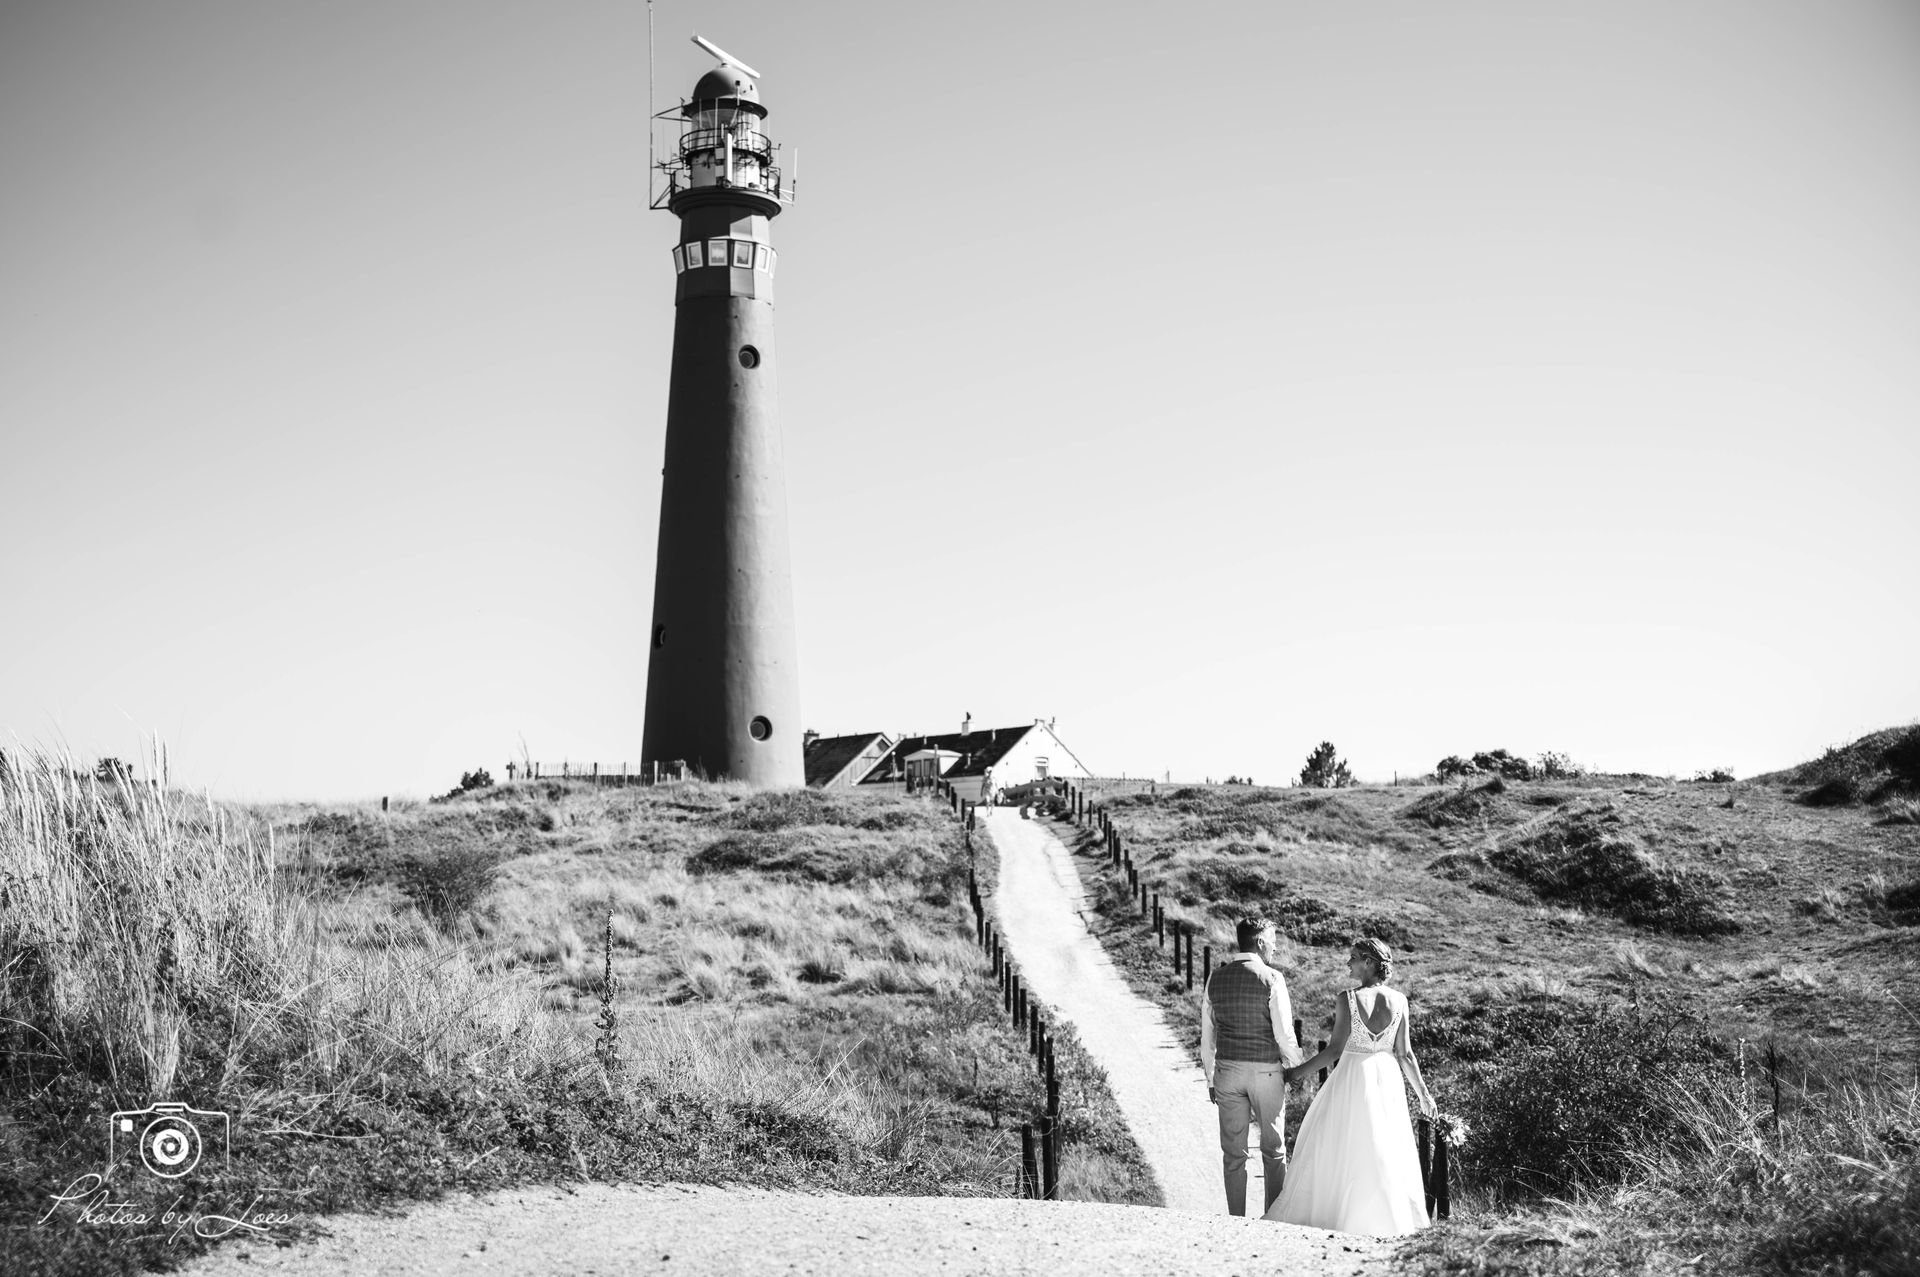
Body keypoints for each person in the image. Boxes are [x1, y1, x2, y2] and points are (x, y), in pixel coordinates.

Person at [1264, 938, 1435, 1236]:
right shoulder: (1400, 1001)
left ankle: (1338, 1214)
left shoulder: (1348, 998)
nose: (1348, 963)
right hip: (1387, 1077)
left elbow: (1334, 1051)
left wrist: (1294, 1074)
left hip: (1353, 1075)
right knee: (1384, 1145)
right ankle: (1383, 1219)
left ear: (1369, 962)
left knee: (1338, 1141)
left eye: (1353, 957)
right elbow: (1405, 1055)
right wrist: (1424, 1094)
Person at [1199, 917, 1304, 1215]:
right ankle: (1272, 1218)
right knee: (1274, 1150)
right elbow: (1284, 1034)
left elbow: (1207, 1036)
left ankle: (1236, 1219)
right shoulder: (1272, 978)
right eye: (1272, 941)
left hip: (1228, 1072)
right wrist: (1296, 1066)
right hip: (1265, 1072)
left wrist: (1211, 1079)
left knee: (1233, 1154)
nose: (1275, 948)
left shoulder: (1215, 978)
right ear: (1259, 942)